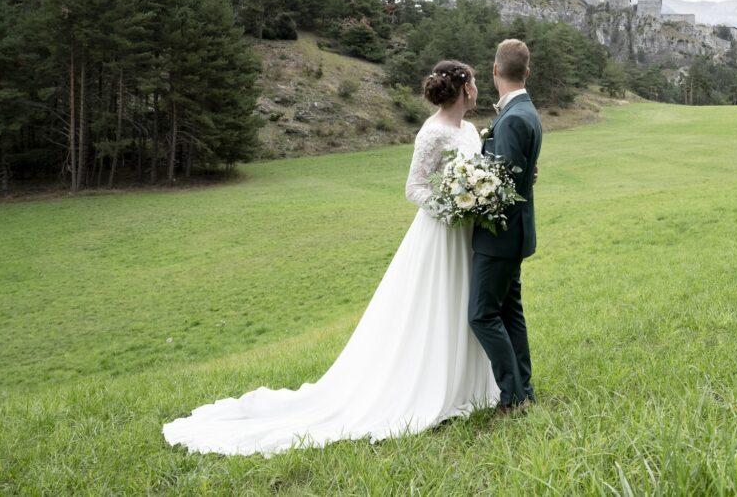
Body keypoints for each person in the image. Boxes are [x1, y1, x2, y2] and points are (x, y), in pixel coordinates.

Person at [163, 60, 499, 456]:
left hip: (469, 234)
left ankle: (468, 384)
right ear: (464, 88)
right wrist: (452, 210)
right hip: (441, 233)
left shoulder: (469, 130)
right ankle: (431, 387)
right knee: (437, 306)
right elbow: (414, 188)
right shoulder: (433, 132)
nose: (477, 87)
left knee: (464, 304)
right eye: (474, 81)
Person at [469, 39, 543, 416]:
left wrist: (465, 191)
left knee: (481, 314)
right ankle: (524, 389)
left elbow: (503, 186)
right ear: (525, 71)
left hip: (500, 236)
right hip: (514, 234)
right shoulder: (527, 111)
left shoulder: (513, 117)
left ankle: (512, 396)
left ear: (495, 70)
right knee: (510, 312)